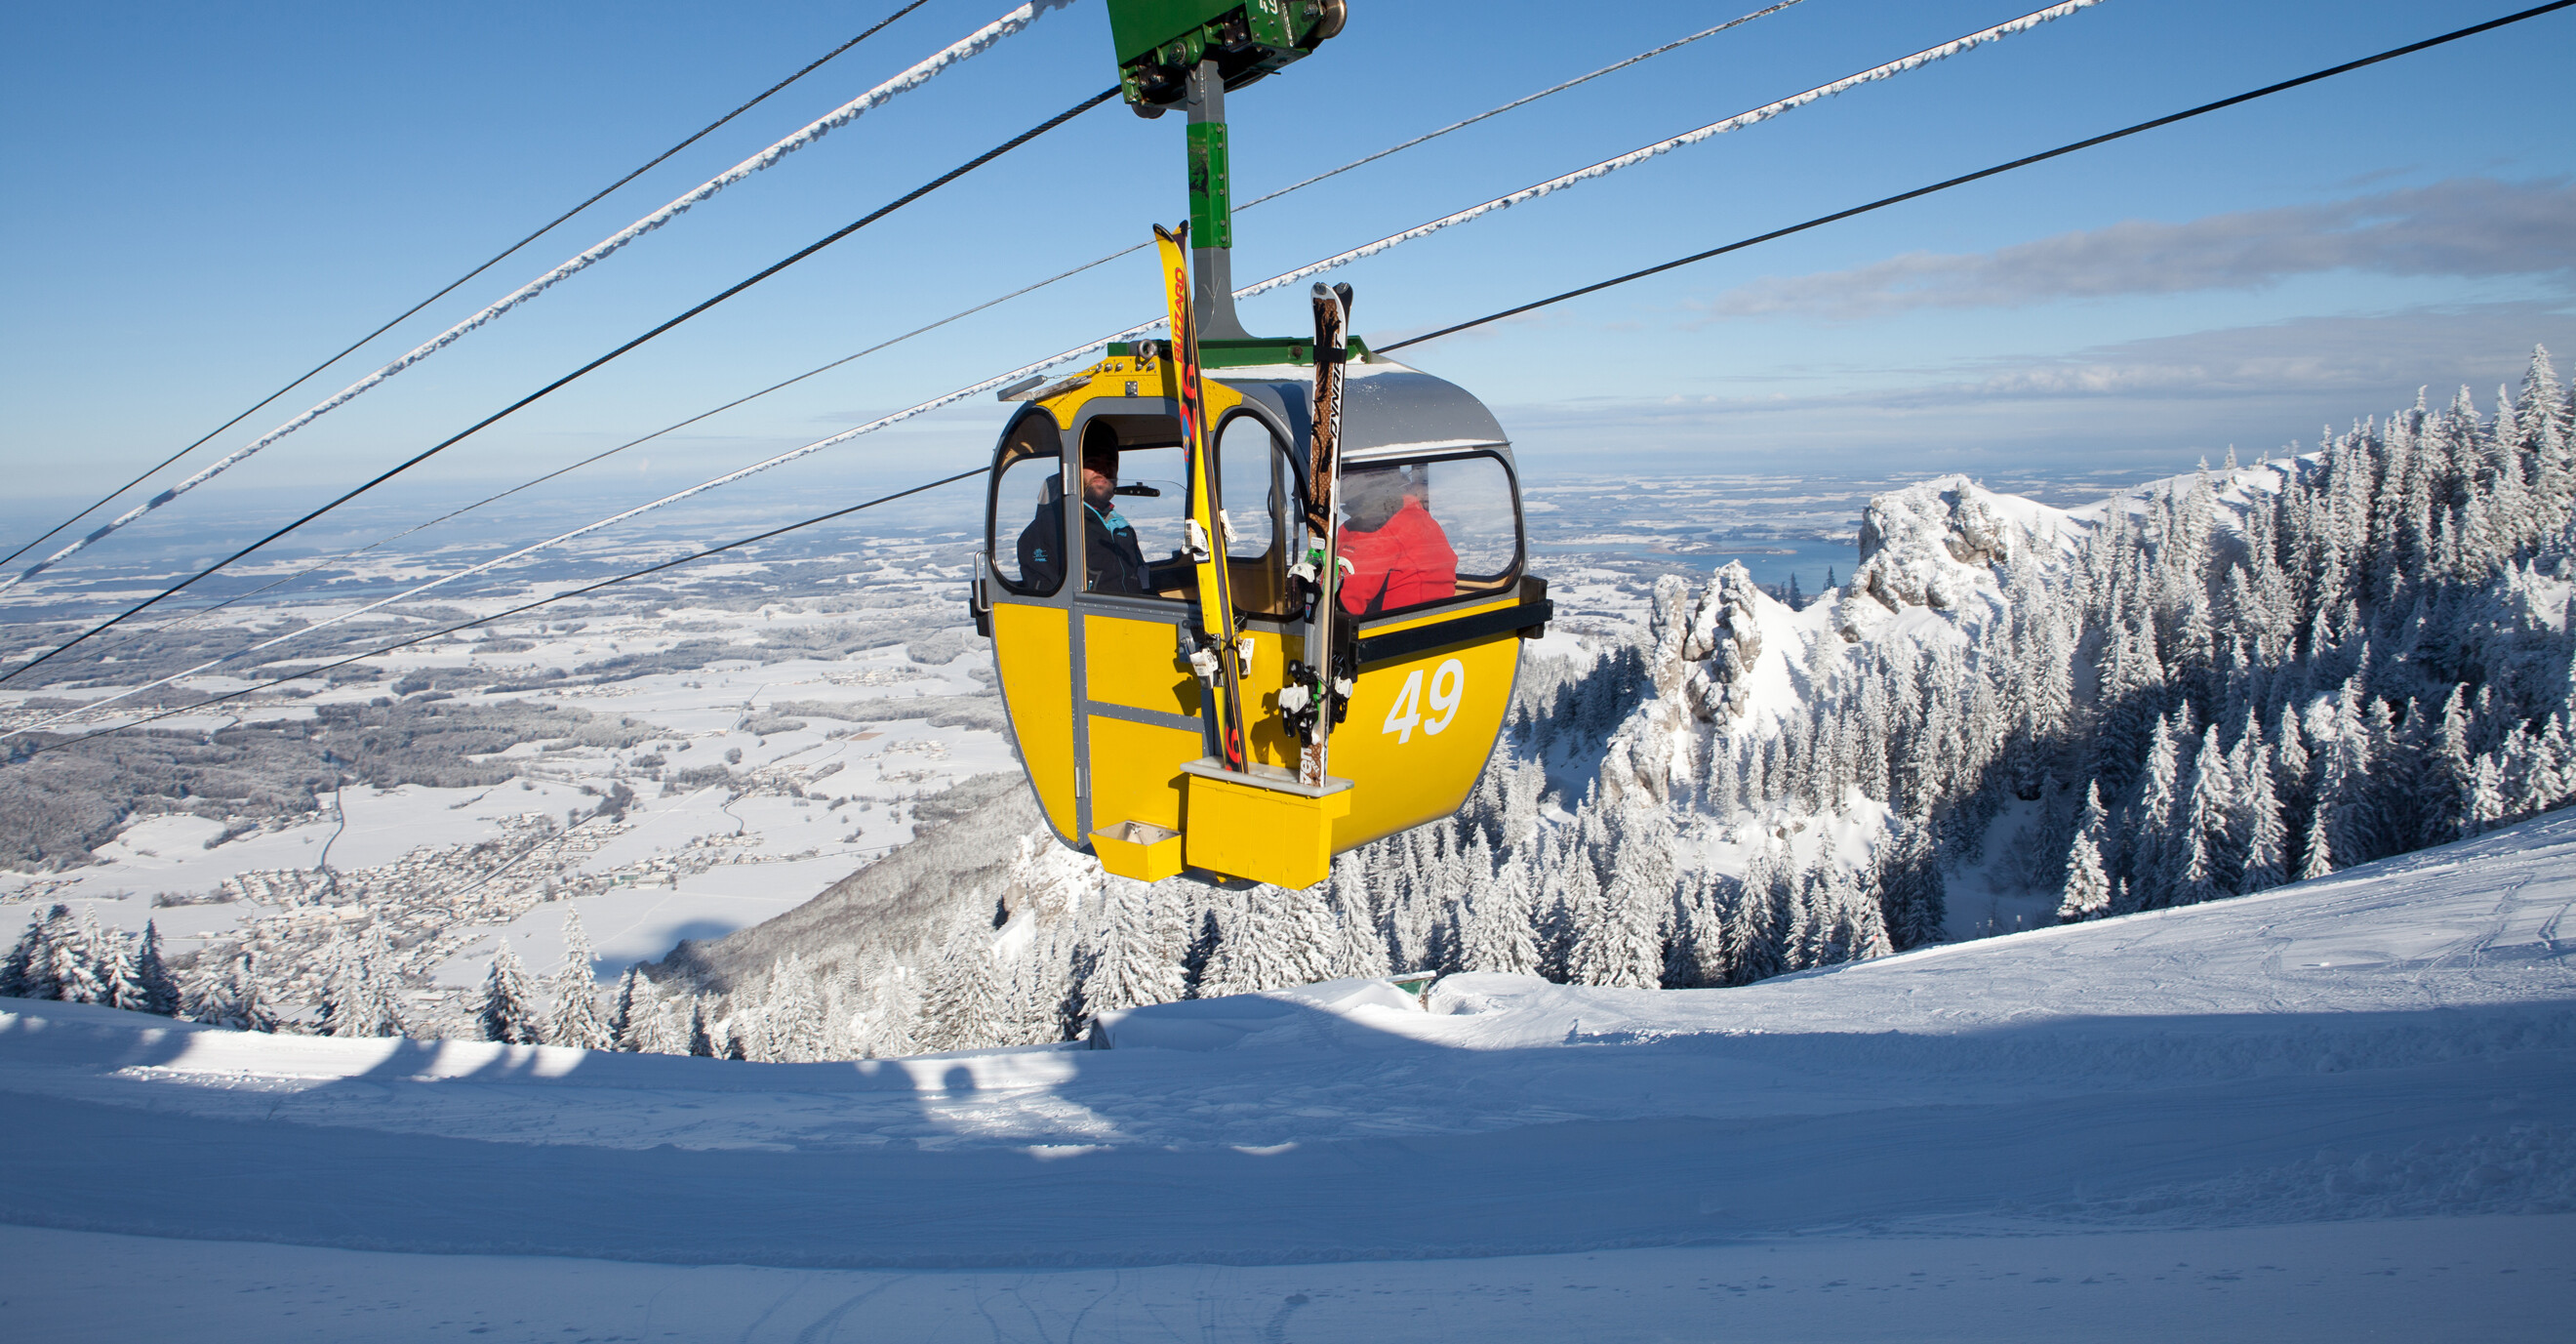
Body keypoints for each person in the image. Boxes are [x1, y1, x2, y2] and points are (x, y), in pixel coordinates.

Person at [1019, 426, 1150, 595]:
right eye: (1092, 462)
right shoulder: (1050, 527)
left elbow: (1142, 580)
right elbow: (1050, 602)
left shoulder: (1121, 527)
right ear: (1075, 469)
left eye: (1110, 463)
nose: (1102, 470)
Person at [1337, 464, 1456, 615]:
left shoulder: (1376, 525)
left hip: (1388, 631)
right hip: (1426, 625)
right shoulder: (1415, 515)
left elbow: (1343, 605)